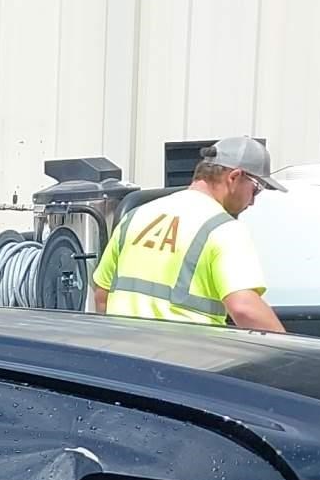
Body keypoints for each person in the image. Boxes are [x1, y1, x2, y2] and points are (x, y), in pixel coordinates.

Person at [88, 135, 287, 332]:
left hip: (125, 353)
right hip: (187, 357)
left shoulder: (135, 216)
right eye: (256, 190)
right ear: (234, 177)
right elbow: (244, 307)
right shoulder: (223, 229)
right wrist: (289, 353)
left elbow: (102, 295)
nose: (252, 202)